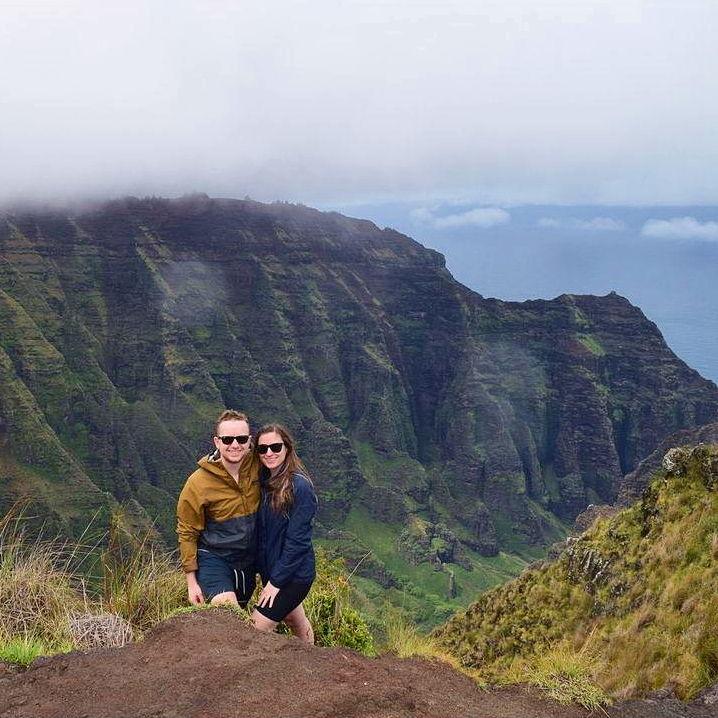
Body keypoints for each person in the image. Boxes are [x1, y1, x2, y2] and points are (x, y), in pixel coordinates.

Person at [176, 409, 260, 607]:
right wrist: (191, 582)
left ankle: (305, 640)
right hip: (215, 557)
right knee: (227, 608)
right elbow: (187, 531)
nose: (235, 445)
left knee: (251, 610)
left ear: (249, 441)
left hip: (249, 558)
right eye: (227, 439)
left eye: (241, 439)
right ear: (217, 442)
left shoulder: (259, 466)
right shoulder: (198, 483)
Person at [252, 424, 317, 644]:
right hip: (275, 571)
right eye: (263, 449)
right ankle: (313, 660)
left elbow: (297, 543)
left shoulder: (300, 487)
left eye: (275, 446)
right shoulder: (265, 483)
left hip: (294, 575)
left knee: (256, 630)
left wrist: (275, 583)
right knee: (294, 620)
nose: (269, 453)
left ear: (287, 448)